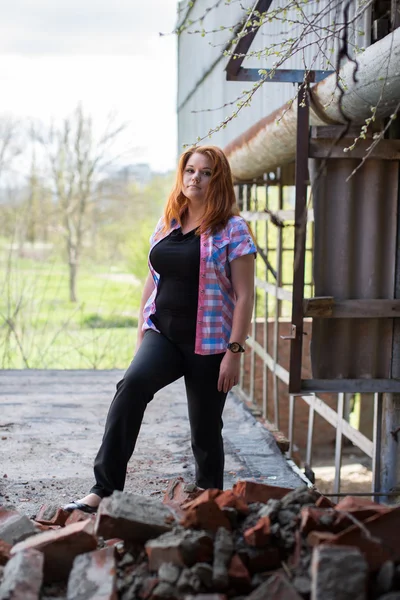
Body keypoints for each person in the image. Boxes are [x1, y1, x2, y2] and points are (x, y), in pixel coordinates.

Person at [64, 145, 256, 514]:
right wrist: (142, 332)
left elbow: (246, 296)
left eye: (205, 172)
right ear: (181, 175)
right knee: (131, 387)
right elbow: (152, 280)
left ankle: (209, 503)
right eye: (190, 170)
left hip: (210, 343)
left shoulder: (233, 229)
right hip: (162, 335)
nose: (195, 178)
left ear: (219, 180)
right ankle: (103, 489)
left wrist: (234, 352)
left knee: (204, 430)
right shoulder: (169, 220)